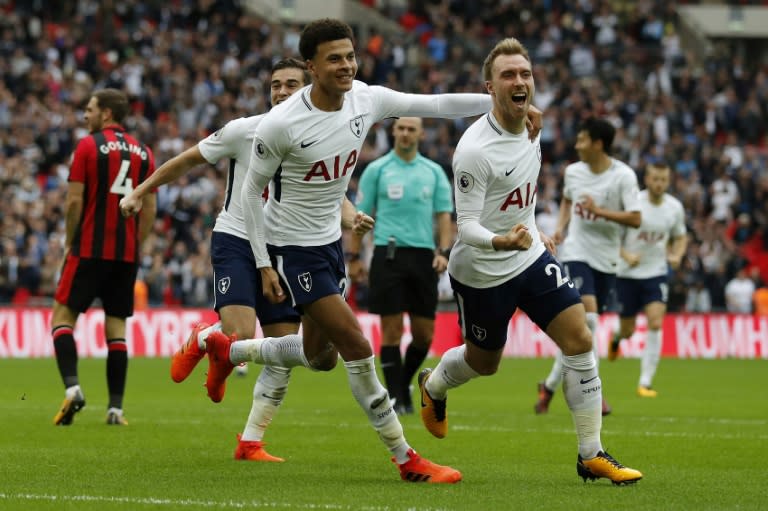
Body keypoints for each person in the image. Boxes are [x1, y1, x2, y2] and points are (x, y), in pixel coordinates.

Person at [198, 18, 541, 484]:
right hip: (292, 251)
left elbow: (437, 104)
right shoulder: (280, 125)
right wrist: (262, 263)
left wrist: (503, 104)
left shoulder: (365, 98)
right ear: (312, 67)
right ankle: (406, 458)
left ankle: (222, 348)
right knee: (358, 345)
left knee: (320, 357)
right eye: (334, 58)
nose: (346, 65)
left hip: (329, 246)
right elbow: (251, 196)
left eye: (350, 55)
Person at [119, 58, 370, 461]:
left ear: (310, 88)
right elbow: (187, 159)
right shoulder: (245, 130)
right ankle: (204, 338)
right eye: (275, 85)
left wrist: (350, 214)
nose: (282, 92)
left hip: (286, 247)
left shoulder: (320, 134)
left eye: (291, 84)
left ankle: (250, 440)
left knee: (282, 350)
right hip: (236, 237)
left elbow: (328, 190)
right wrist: (140, 191)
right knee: (237, 332)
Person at [417, 37, 642, 484]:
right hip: (483, 269)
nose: (520, 81)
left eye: (525, 74)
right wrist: (502, 240)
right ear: (490, 87)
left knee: (580, 337)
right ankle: (435, 384)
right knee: (485, 363)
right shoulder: (474, 150)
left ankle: (591, 454)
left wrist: (530, 227)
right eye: (508, 75)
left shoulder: (532, 124)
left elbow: (520, 192)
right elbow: (468, 227)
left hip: (530, 255)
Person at [52, 88, 157, 426]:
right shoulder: (144, 152)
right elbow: (151, 206)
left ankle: (72, 389)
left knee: (62, 319)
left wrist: (69, 241)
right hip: (125, 255)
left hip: (88, 249)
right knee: (117, 329)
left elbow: (73, 202)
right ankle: (115, 409)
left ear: (107, 114)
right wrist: (135, 242)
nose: (85, 115)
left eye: (90, 109)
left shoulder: (87, 146)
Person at [534, 117, 642, 416]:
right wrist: (560, 227)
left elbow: (635, 218)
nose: (576, 144)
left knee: (583, 329)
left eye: (581, 139)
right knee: (590, 322)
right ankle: (593, 390)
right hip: (577, 251)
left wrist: (600, 212)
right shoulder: (573, 172)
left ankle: (550, 385)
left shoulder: (623, 177)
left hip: (607, 258)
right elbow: (568, 201)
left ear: (597, 144)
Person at [347, 117, 454, 415]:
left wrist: (443, 251)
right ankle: (396, 397)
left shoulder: (433, 172)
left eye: (411, 129)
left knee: (424, 335)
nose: (405, 133)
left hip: (423, 258)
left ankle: (404, 383)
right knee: (391, 330)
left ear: (420, 133)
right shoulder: (377, 170)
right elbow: (360, 218)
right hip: (388, 254)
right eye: (401, 128)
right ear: (393, 132)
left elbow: (445, 217)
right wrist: (353, 258)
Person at [607, 161, 687, 398]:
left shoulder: (674, 208)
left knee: (655, 322)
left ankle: (645, 382)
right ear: (647, 179)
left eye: (663, 179)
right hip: (627, 274)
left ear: (668, 181)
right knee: (628, 330)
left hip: (656, 272)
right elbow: (613, 236)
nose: (659, 184)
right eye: (655, 179)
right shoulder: (634, 205)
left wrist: (677, 255)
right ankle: (616, 338)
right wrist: (626, 255)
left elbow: (680, 237)